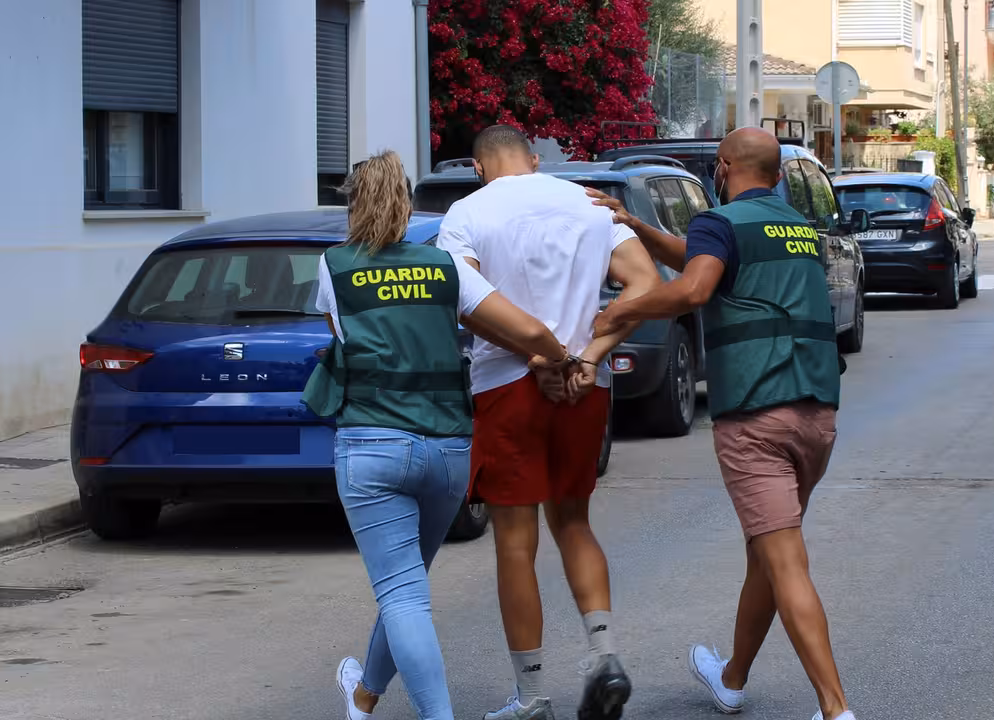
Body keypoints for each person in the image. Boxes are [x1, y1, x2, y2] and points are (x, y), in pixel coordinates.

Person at [588, 127, 857, 720]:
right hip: (815, 414)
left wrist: (621, 309)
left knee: (784, 560)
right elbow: (703, 259)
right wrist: (635, 226)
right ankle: (731, 679)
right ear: (779, 175)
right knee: (768, 552)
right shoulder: (796, 227)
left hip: (757, 416)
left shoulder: (720, 221)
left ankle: (835, 710)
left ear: (724, 167)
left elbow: (696, 285)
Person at [302, 150, 573, 720]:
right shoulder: (445, 265)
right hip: (448, 449)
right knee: (406, 586)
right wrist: (561, 359)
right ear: (406, 205)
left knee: (402, 593)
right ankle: (364, 698)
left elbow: (342, 335)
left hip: (373, 445)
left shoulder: (335, 264)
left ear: (353, 205)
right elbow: (526, 329)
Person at [434, 125, 661, 720]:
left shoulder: (466, 213)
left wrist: (540, 357)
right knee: (575, 522)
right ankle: (605, 656)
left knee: (515, 543)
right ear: (535, 160)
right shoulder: (586, 202)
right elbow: (646, 284)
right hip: (586, 385)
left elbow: (467, 302)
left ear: (478, 167)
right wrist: (588, 353)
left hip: (508, 384)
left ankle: (533, 695)